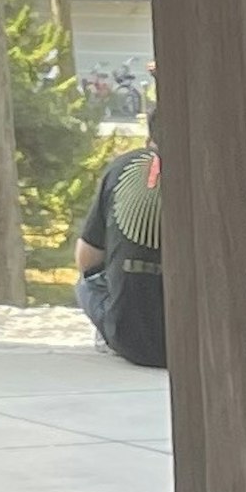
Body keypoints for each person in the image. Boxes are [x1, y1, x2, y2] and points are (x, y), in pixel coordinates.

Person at [73, 134, 171, 367]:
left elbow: (87, 259)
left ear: (149, 141)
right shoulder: (215, 171)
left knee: (87, 282)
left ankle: (107, 330)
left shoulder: (122, 167)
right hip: (200, 340)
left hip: (131, 339)